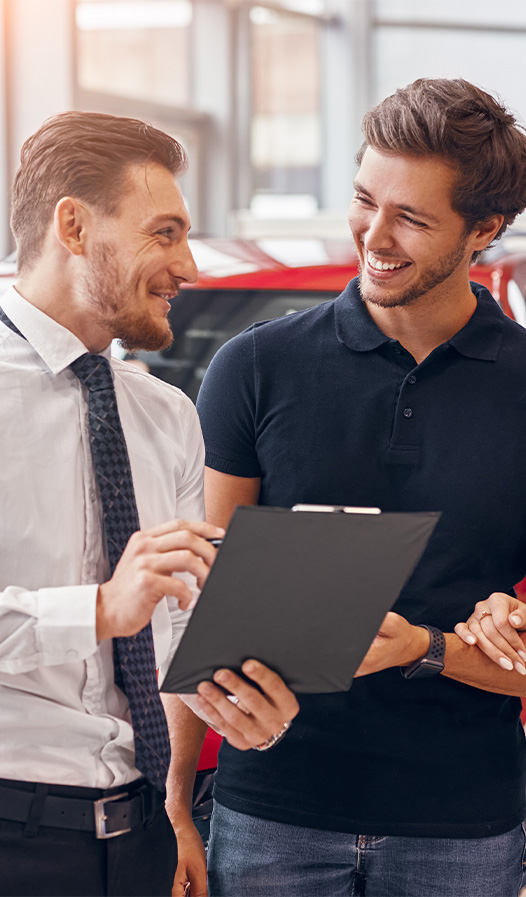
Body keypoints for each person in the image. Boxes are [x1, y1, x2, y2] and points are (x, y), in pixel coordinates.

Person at [171, 79, 526, 897]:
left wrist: (427, 648)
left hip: (463, 824)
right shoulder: (255, 367)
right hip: (269, 814)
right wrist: (178, 796)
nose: (376, 235)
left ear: (485, 229)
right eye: (367, 200)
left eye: (412, 217)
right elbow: (204, 599)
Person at [0, 111, 298, 897]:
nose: (188, 263)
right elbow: (121, 610)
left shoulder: (166, 414)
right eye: (164, 232)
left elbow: (169, 634)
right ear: (72, 224)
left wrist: (234, 714)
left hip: (138, 837)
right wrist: (98, 607)